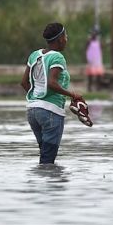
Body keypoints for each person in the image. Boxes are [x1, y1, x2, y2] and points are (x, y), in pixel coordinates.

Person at [21, 22, 84, 164]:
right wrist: (73, 95)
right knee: (48, 160)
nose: (67, 39)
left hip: (32, 111)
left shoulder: (34, 55)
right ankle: (50, 185)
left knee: (44, 155)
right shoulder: (57, 57)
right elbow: (52, 83)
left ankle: (41, 184)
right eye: (65, 36)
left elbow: (24, 83)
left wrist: (37, 99)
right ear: (60, 38)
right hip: (50, 112)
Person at [85, 27, 105, 92]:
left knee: (98, 75)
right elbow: (86, 49)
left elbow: (101, 49)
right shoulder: (89, 41)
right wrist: (87, 58)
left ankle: (98, 88)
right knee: (90, 75)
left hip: (97, 60)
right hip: (91, 60)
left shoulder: (99, 41)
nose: (94, 35)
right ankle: (89, 88)